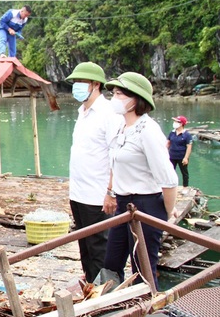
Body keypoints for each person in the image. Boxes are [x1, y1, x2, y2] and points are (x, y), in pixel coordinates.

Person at [102, 72, 178, 290]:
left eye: (119, 94)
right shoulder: (121, 127)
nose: (114, 98)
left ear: (136, 99)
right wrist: (111, 192)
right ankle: (110, 305)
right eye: (114, 93)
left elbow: (168, 179)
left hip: (146, 205)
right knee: (112, 261)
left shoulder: (148, 130)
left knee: (142, 266)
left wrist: (165, 213)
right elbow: (115, 164)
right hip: (124, 203)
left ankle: (149, 310)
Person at [65, 62, 123, 283]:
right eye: (74, 83)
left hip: (98, 196)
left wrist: (111, 192)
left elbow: (116, 156)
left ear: (95, 84)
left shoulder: (109, 113)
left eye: (81, 82)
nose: (76, 87)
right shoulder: (83, 112)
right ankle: (91, 288)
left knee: (101, 249)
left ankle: (106, 297)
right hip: (79, 194)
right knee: (85, 247)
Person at [167, 115, 193, 191]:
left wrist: (186, 158)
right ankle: (171, 187)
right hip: (172, 156)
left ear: (181, 124)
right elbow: (168, 143)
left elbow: (189, 147)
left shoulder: (187, 135)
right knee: (170, 172)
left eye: (176, 121)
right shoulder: (172, 133)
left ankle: (185, 187)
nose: (174, 123)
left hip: (182, 157)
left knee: (184, 173)